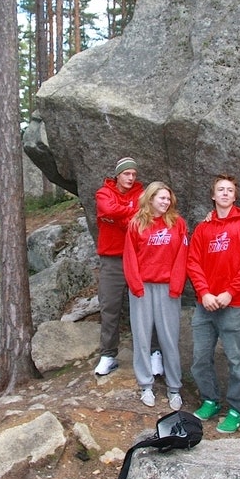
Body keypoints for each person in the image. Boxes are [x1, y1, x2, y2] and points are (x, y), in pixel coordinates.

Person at [187, 173, 240, 433]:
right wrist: (204, 292)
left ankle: (238, 409)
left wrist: (230, 292)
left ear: (235, 195)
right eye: (220, 189)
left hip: (234, 304)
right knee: (200, 358)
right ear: (213, 195)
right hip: (205, 305)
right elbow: (192, 262)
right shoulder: (203, 228)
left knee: (237, 360)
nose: (225, 193)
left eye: (230, 189)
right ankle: (210, 399)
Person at [123, 182, 188, 411]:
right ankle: (146, 385)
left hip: (168, 288)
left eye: (168, 199)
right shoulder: (136, 224)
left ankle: (174, 388)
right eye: (161, 198)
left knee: (169, 338)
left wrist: (176, 286)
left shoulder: (177, 224)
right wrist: (136, 286)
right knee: (141, 337)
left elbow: (182, 256)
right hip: (142, 288)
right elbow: (129, 257)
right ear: (150, 199)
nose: (166, 202)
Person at [94, 157, 144, 376]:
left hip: (139, 259)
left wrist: (118, 215)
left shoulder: (142, 194)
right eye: (126, 174)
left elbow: (143, 216)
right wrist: (129, 211)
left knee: (144, 307)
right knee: (109, 306)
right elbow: (108, 209)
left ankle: (152, 353)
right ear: (118, 174)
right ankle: (108, 355)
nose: (131, 178)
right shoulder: (103, 193)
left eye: (133, 174)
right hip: (112, 260)